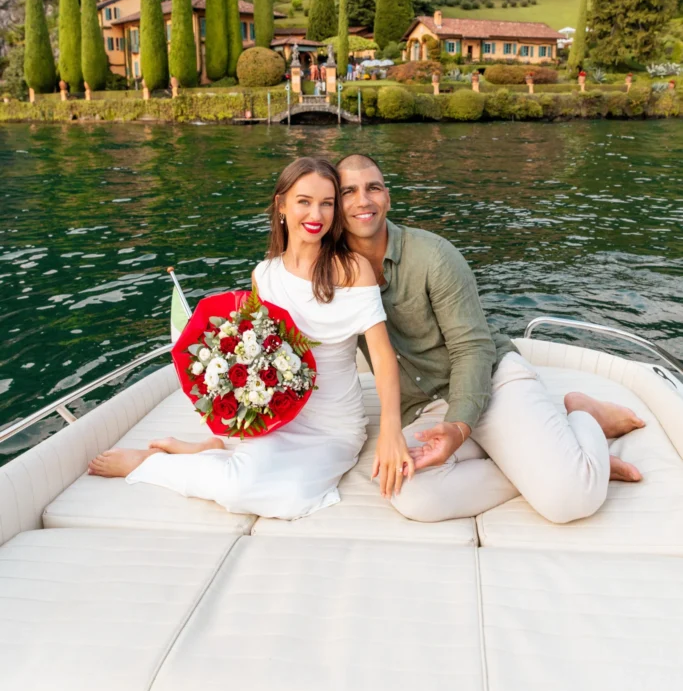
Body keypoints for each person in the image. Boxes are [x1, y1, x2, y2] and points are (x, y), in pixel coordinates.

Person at [88, 157, 413, 519]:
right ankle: (151, 462)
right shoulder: (266, 274)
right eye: (304, 201)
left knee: (292, 499)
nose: (315, 214)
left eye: (327, 203)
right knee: (239, 488)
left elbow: (383, 358)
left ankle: (209, 452)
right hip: (280, 416)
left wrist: (390, 430)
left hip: (335, 427)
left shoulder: (353, 269)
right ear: (282, 206)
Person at [337, 153, 645, 524]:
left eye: (373, 187)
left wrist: (459, 426)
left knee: (571, 501)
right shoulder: (328, 276)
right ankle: (553, 462)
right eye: (348, 192)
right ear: (333, 206)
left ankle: (583, 416)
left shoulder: (433, 255)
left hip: (492, 381)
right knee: (411, 494)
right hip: (424, 409)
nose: (363, 200)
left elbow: (473, 349)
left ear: (387, 196)